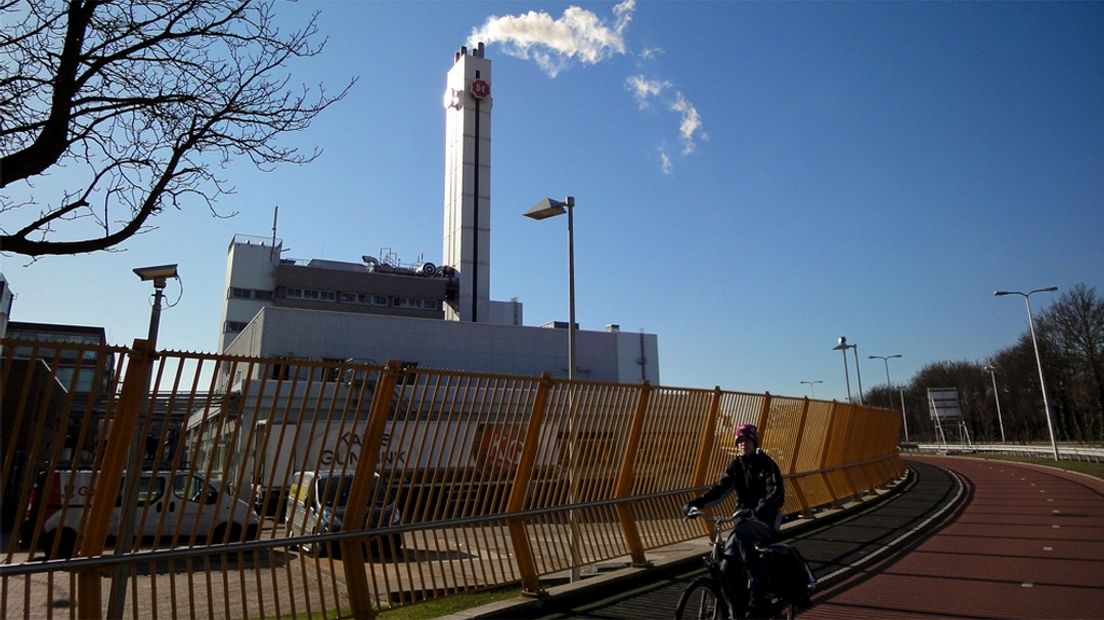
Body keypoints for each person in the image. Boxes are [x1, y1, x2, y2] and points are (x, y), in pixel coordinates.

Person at [683, 423, 785, 617]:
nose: (742, 445)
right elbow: (719, 490)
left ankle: (758, 591)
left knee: (740, 535)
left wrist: (758, 509)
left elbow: (777, 493)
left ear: (754, 442)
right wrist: (696, 504)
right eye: (739, 442)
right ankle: (736, 610)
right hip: (743, 523)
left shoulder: (767, 463)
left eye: (746, 441)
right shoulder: (736, 466)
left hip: (764, 521)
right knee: (726, 567)